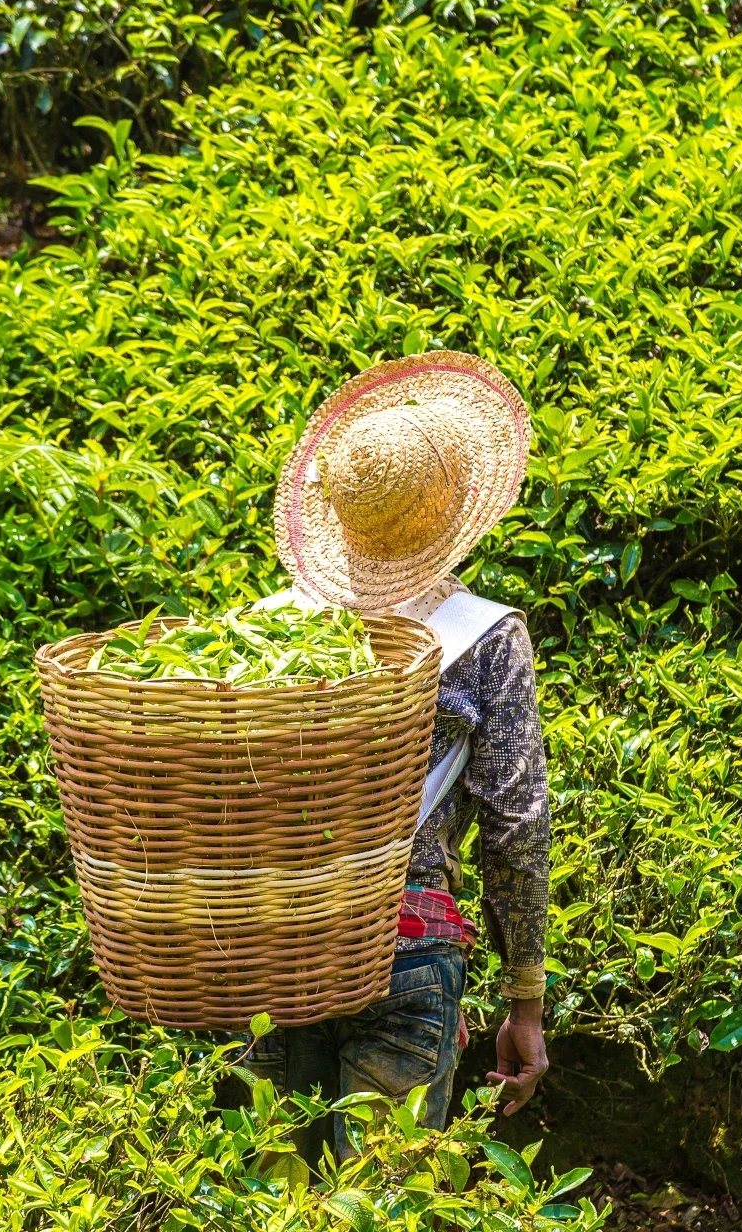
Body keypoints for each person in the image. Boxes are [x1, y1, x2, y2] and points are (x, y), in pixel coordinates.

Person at [246, 350, 551, 1162]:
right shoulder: (486, 638)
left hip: (276, 945)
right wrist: (524, 1001)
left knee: (271, 1194)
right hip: (405, 946)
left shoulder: (266, 631)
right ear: (456, 510)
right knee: (382, 1198)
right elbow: (516, 827)